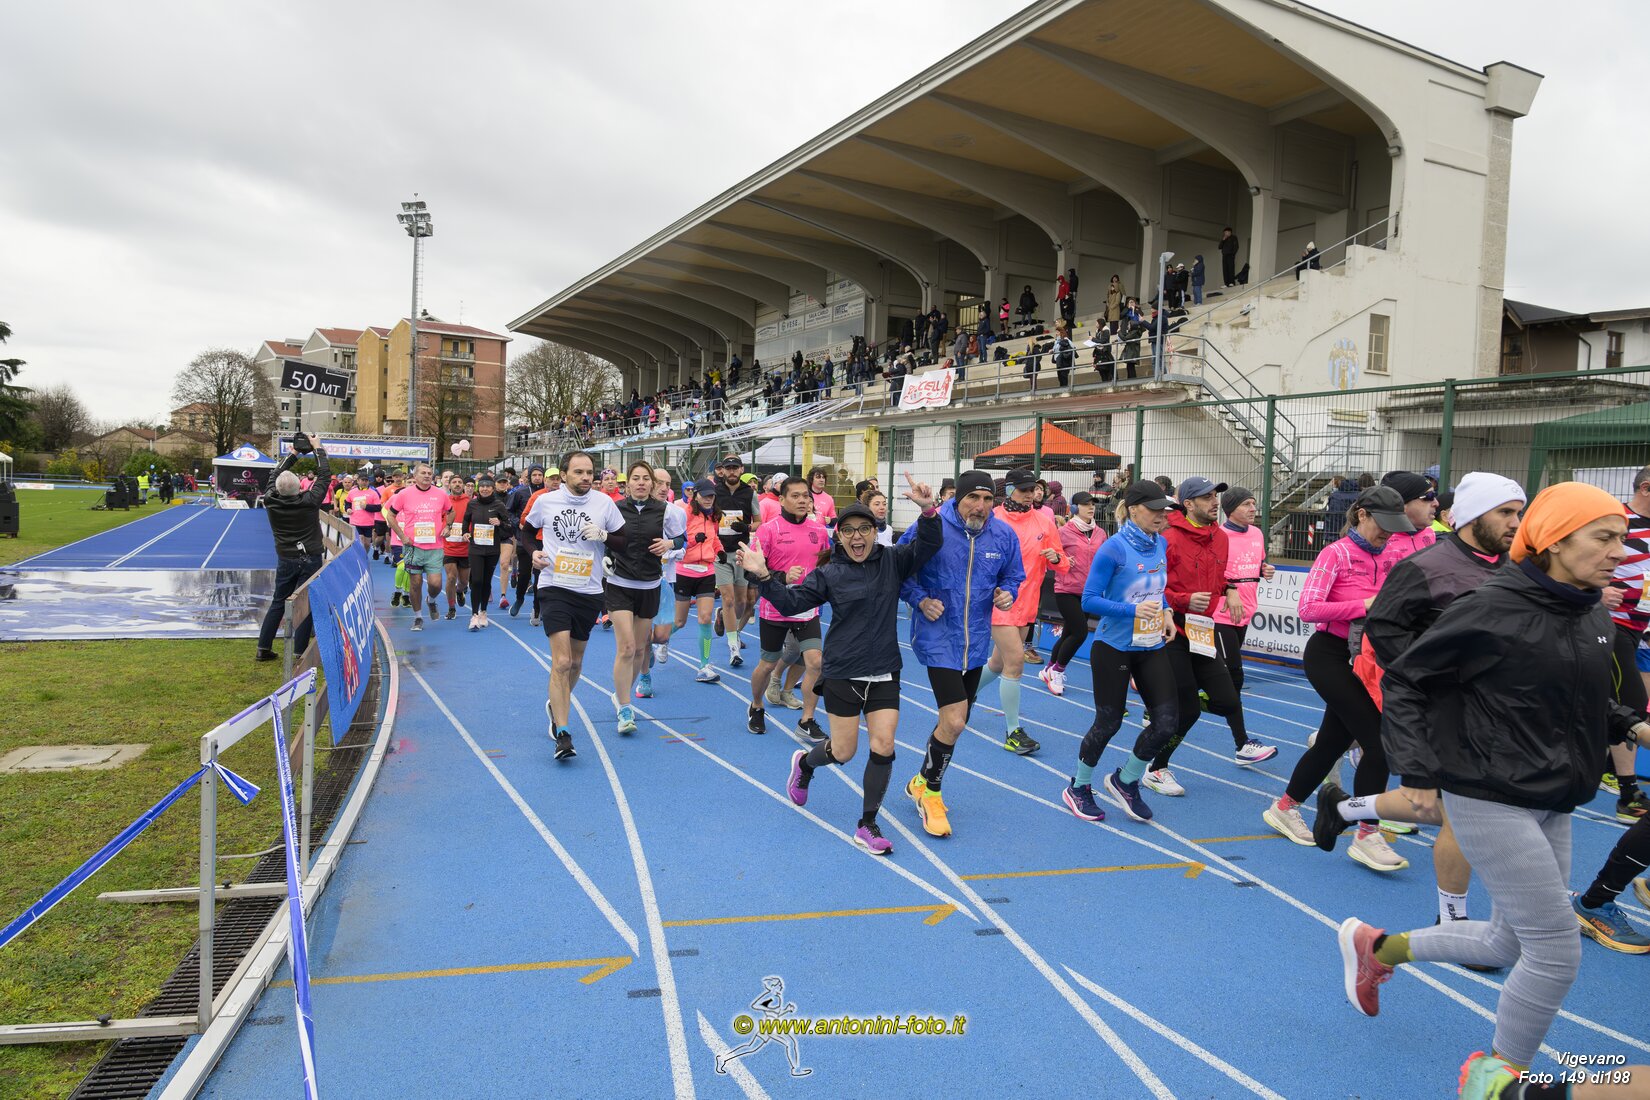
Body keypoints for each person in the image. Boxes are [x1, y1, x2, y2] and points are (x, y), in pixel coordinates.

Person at [1336, 482, 1650, 1095]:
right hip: (1487, 787)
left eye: (1622, 537)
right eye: (1604, 538)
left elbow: (1583, 698)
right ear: (1555, 541)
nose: (1621, 551)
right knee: (1555, 947)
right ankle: (1495, 1076)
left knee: (1507, 941)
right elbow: (1408, 680)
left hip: (1554, 793)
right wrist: (1417, 771)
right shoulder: (1491, 605)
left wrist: (1633, 725)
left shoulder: (1590, 609)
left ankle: (1378, 949)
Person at [745, 479, 942, 856]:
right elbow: (790, 604)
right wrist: (763, 576)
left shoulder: (893, 560)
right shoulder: (829, 574)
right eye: (848, 530)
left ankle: (867, 823)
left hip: (884, 670)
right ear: (839, 537)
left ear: (874, 532)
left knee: (884, 746)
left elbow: (930, 544)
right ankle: (806, 764)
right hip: (842, 672)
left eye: (864, 529)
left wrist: (928, 510)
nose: (856, 536)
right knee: (843, 751)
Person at [1262, 485, 1414, 866]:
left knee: (1332, 743)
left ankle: (1285, 807)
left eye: (1395, 526)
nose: (1388, 533)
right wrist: (1364, 604)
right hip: (1330, 655)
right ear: (1361, 515)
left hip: (1371, 659)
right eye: (1383, 524)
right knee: (1378, 743)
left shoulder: (1394, 552)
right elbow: (1308, 608)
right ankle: (1366, 834)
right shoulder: (1336, 553)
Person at [899, 470, 1023, 836]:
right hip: (938, 637)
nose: (980, 506)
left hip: (977, 641)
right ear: (957, 499)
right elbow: (900, 569)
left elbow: (1013, 575)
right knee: (954, 721)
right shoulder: (933, 526)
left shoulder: (1003, 534)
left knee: (954, 721)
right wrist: (920, 600)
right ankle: (931, 795)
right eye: (973, 498)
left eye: (987, 499)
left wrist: (1008, 593)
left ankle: (921, 779)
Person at [1141, 476, 1279, 796]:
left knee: (1228, 700)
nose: (1215, 501)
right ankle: (1155, 768)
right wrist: (1184, 600)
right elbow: (1151, 587)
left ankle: (1170, 704)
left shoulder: (1220, 538)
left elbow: (1219, 576)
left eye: (1216, 496)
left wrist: (1229, 589)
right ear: (1188, 504)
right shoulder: (1168, 538)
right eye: (1207, 497)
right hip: (1171, 629)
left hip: (1203, 630)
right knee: (1188, 710)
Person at [1063, 480, 1181, 824]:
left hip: (1151, 644)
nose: (1161, 515)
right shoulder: (1113, 549)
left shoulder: (1159, 543)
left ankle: (1126, 780)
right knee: (1109, 722)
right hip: (1113, 647)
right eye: (1154, 509)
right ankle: (1079, 786)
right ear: (1133, 510)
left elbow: (1157, 589)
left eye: (1164, 510)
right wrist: (1133, 611)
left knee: (1167, 723)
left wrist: (1167, 613)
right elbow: (1089, 600)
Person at [521, 451, 625, 761]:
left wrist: (604, 536)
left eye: (589, 472)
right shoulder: (546, 501)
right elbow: (526, 532)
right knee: (563, 661)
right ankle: (563, 732)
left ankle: (556, 703)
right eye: (578, 472)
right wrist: (533, 552)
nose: (585, 477)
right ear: (564, 474)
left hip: (589, 590)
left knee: (576, 663)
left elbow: (623, 540)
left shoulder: (604, 503)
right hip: (554, 585)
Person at [980, 467, 1067, 756]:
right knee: (1015, 661)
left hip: (1028, 604)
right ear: (1009, 490)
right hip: (999, 602)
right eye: (1024, 490)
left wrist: (1056, 558)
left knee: (997, 664)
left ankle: (962, 697)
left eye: (1033, 490)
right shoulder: (993, 518)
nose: (1031, 495)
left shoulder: (1044, 521)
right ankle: (1013, 731)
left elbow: (1062, 563)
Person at [745, 477, 830, 740]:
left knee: (815, 662)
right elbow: (750, 573)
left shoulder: (820, 531)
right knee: (767, 664)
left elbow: (828, 568)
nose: (802, 500)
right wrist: (782, 577)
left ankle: (807, 719)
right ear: (781, 500)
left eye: (806, 496)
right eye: (795, 496)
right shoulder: (768, 531)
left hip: (807, 609)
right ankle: (756, 706)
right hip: (775, 609)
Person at [606, 462, 682, 733]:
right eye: (635, 478)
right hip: (619, 583)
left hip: (649, 585)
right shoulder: (614, 508)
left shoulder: (666, 511)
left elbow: (681, 538)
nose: (641, 483)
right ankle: (626, 708)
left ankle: (621, 695)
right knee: (626, 647)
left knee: (640, 649)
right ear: (627, 483)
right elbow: (604, 539)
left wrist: (670, 543)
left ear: (653, 484)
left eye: (645, 479)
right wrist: (605, 558)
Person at [1600, 463, 1650, 814]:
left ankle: (1605, 765)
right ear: (1646, 488)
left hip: (1641, 631)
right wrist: (1598, 592)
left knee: (1626, 704)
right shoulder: (1615, 520)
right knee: (1631, 705)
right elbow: (1571, 564)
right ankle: (1628, 793)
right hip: (1609, 625)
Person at [255, 435, 332, 661]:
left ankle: (263, 648)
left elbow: (274, 474)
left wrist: (295, 453)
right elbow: (325, 475)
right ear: (300, 487)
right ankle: (300, 651)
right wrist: (317, 448)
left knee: (279, 601)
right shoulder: (310, 501)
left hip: (286, 556)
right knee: (305, 603)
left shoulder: (270, 499)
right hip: (310, 556)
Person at [1209, 487, 1273, 705]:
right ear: (1230, 509)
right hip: (1221, 613)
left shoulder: (1257, 533)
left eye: (1253, 503)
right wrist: (1229, 590)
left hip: (1246, 612)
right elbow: (1211, 573)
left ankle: (1200, 699)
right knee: (1234, 672)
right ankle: (1233, 716)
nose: (1253, 508)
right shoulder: (1219, 536)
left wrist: (1264, 570)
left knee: (1216, 667)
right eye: (1246, 504)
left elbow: (1257, 563)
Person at [1041, 490, 1104, 696]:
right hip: (1066, 589)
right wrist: (1062, 560)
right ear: (1075, 508)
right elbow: (1050, 560)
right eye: (1086, 504)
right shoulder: (1063, 532)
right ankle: (1058, 671)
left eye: (1093, 504)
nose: (1091, 507)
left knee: (1069, 633)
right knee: (1080, 633)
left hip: (1089, 592)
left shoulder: (1100, 533)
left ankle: (1049, 668)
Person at [668, 480, 726, 683]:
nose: (709, 499)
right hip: (685, 570)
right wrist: (693, 540)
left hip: (706, 572)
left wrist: (720, 551)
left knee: (705, 618)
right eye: (705, 496)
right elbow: (677, 541)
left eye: (712, 496)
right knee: (680, 621)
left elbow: (714, 538)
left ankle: (704, 665)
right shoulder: (683, 514)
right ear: (695, 495)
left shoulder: (714, 515)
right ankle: (659, 640)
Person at [386, 463, 455, 631]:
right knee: (415, 583)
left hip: (434, 547)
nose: (427, 476)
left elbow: (451, 512)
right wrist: (402, 536)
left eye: (429, 473)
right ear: (415, 476)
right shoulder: (404, 494)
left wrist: (448, 526)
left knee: (436, 584)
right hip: (413, 547)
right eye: (423, 473)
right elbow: (390, 515)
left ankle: (431, 600)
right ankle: (418, 617)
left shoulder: (440, 494)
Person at [713, 455, 759, 664]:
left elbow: (759, 522)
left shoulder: (750, 493)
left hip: (742, 551)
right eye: (728, 467)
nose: (731, 471)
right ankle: (734, 648)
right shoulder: (715, 491)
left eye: (735, 467)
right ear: (722, 470)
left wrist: (746, 527)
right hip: (720, 552)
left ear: (741, 469)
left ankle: (723, 615)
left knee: (741, 602)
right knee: (729, 599)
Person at [460, 477, 510, 631]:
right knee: (476, 580)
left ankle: (483, 612)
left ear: (493, 489)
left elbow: (509, 527)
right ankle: (474, 614)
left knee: (486, 581)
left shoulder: (499, 505)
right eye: (482, 486)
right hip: (476, 547)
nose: (485, 489)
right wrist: (465, 532)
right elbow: (466, 520)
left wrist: (499, 523)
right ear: (478, 488)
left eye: (488, 486)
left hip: (492, 549)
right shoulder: (472, 504)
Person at [507, 465, 546, 619]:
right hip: (525, 539)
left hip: (543, 540)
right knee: (524, 574)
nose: (537, 478)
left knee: (540, 576)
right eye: (534, 475)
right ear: (529, 477)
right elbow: (509, 511)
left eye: (540, 475)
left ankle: (537, 607)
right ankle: (519, 599)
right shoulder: (520, 492)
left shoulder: (549, 494)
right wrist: (518, 523)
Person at [441, 475, 471, 621]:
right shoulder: (444, 502)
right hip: (449, 547)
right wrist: (443, 529)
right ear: (449, 485)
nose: (457, 484)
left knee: (464, 582)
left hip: (466, 548)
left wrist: (470, 533)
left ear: (463, 485)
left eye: (460, 482)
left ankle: (460, 591)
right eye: (454, 482)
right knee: (451, 577)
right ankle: (451, 607)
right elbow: (438, 519)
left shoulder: (470, 502)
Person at [346, 474, 382, 556]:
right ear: (358, 481)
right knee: (360, 540)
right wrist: (348, 509)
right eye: (362, 480)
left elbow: (378, 508)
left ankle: (364, 556)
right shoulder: (352, 492)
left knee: (367, 544)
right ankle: (359, 558)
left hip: (368, 522)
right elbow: (347, 502)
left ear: (369, 482)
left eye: (366, 480)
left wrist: (367, 507)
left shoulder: (373, 493)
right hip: (355, 521)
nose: (364, 482)